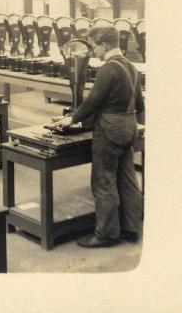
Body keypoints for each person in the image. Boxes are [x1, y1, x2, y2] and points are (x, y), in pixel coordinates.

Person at [55, 26, 144, 248]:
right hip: (129, 126)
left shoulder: (108, 69)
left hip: (110, 129)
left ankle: (106, 234)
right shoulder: (132, 67)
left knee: (104, 182)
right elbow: (140, 104)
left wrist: (72, 119)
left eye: (95, 47)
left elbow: (94, 100)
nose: (94, 51)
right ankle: (132, 230)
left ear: (104, 46)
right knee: (128, 180)